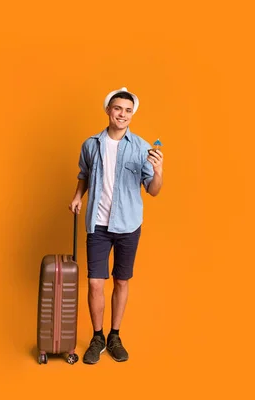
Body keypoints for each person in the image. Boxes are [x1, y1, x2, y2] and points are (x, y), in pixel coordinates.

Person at [68, 87, 163, 364]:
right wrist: (77, 196)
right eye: (118, 108)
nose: (123, 114)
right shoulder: (91, 144)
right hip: (97, 223)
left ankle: (114, 335)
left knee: (122, 280)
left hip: (128, 224)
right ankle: (97, 336)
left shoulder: (142, 147)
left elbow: (154, 190)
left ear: (132, 114)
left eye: (128, 110)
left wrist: (159, 171)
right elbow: (84, 174)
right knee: (96, 283)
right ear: (108, 110)